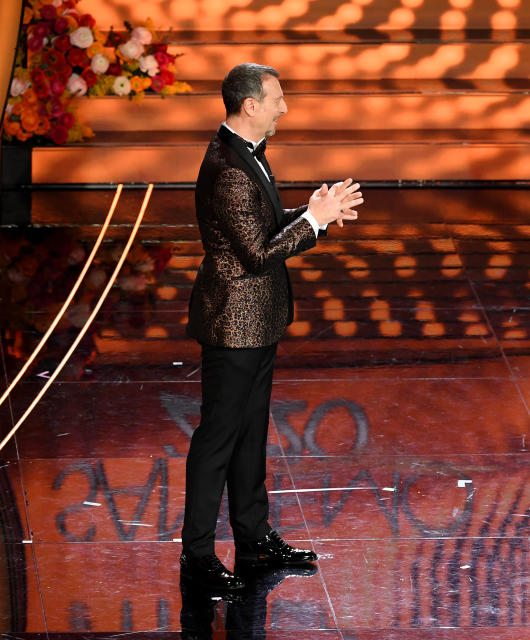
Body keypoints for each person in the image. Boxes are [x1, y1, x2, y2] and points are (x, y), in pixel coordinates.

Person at [180, 62, 364, 591]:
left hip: (257, 322)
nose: (285, 108)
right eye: (278, 99)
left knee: (250, 435)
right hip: (233, 324)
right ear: (250, 106)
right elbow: (258, 254)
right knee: (218, 438)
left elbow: (260, 229)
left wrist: (310, 212)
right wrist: (313, 223)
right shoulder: (231, 169)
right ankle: (197, 556)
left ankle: (254, 540)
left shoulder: (246, 156)